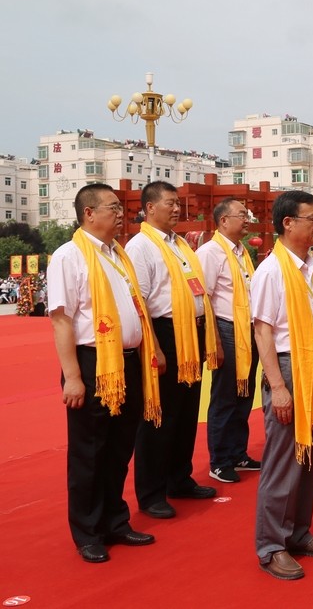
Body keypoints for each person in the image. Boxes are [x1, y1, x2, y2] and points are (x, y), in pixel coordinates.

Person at [47, 183, 162, 563]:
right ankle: (88, 531)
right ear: (88, 213)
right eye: (112, 207)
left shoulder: (118, 254)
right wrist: (72, 376)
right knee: (90, 451)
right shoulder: (69, 256)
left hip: (127, 361)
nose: (120, 214)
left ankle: (115, 520)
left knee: (119, 448)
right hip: (93, 363)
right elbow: (62, 320)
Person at [251, 190, 313, 581]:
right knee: (284, 459)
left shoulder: (311, 267)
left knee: (309, 455)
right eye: (312, 218)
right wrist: (277, 386)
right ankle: (271, 545)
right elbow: (263, 331)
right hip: (290, 368)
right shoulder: (272, 270)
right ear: (288, 223)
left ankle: (298, 532)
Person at [125, 181, 221, 519]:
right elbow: (139, 302)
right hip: (164, 334)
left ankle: (179, 478)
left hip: (190, 334)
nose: (178, 209)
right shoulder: (141, 246)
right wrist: (154, 347)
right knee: (159, 416)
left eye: (178, 203)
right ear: (149, 208)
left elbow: (198, 292)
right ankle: (151, 493)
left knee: (185, 413)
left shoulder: (180, 244)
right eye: (170, 203)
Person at [196, 198, 261, 484]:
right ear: (223, 221)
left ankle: (237, 452)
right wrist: (215, 342)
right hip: (225, 328)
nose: (247, 220)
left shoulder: (241, 251)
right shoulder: (210, 252)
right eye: (241, 215)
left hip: (247, 329)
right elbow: (205, 299)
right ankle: (220, 460)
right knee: (225, 396)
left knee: (245, 393)